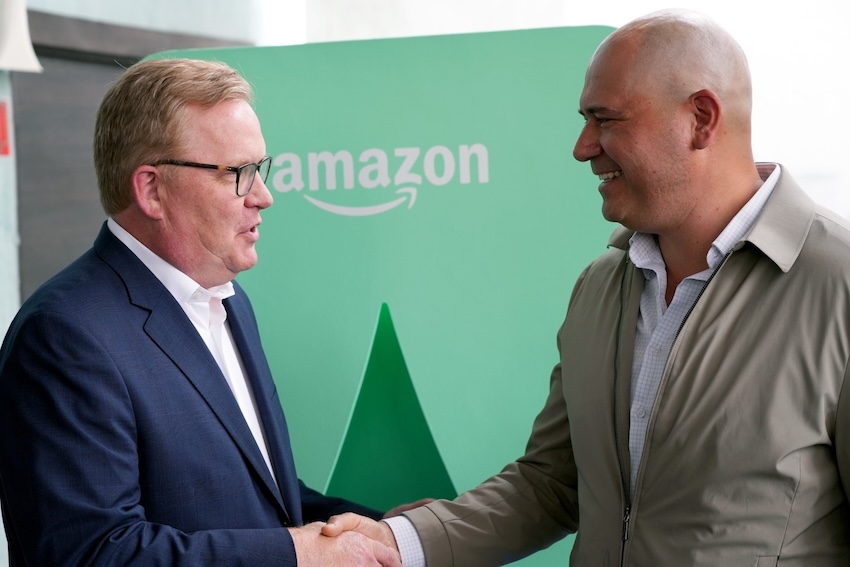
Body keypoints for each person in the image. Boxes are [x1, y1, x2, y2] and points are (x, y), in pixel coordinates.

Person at [322, 9, 850, 566]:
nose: (582, 146)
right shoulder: (600, 286)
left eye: (606, 119)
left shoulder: (836, 285)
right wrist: (399, 543)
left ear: (700, 118)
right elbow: (553, 483)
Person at [0, 58, 408, 566]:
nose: (264, 195)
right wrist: (296, 555)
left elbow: (261, 506)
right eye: (237, 173)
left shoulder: (229, 302)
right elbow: (91, 553)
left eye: (259, 168)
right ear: (151, 189)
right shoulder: (64, 335)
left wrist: (388, 532)